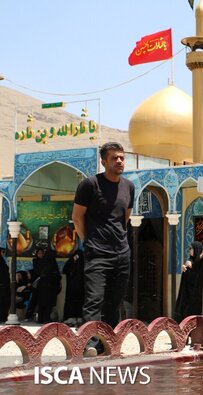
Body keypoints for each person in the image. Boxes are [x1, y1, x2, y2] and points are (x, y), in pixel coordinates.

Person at [72, 142, 135, 355]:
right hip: (97, 252)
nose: (119, 161)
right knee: (94, 300)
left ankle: (108, 344)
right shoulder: (90, 185)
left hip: (121, 253)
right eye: (114, 158)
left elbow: (124, 218)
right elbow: (77, 217)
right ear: (104, 161)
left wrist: (121, 243)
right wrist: (88, 242)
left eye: (122, 157)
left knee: (114, 301)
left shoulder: (129, 186)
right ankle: (88, 344)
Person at [30, 245, 62, 324]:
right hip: (50, 287)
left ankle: (40, 319)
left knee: (42, 304)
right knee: (48, 304)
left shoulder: (42, 262)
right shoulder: (52, 263)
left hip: (42, 287)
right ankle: (46, 319)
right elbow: (56, 275)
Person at [175, 241, 203, 320]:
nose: (189, 250)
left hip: (196, 296)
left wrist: (192, 266)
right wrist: (186, 269)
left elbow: (197, 277)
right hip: (187, 295)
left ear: (196, 249)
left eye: (191, 248)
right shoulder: (191, 261)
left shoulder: (201, 264)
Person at [62, 249, 85, 326]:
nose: (76, 257)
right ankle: (72, 318)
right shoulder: (71, 263)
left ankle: (78, 318)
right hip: (73, 287)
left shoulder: (82, 264)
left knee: (78, 301)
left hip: (79, 288)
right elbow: (65, 270)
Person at [0, 248, 10, 323]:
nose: (3, 253)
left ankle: (3, 317)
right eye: (2, 252)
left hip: (4, 286)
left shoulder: (2, 262)